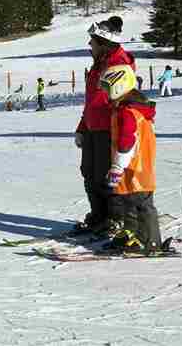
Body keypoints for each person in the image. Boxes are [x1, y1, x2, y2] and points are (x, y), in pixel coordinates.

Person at [99, 65, 168, 254]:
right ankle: (131, 235)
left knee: (141, 205)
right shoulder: (123, 109)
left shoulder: (128, 112)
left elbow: (128, 142)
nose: (105, 93)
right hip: (131, 167)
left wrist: (117, 166)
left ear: (118, 87)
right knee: (129, 202)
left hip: (136, 167)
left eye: (107, 88)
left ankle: (150, 241)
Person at [75, 15, 135, 235]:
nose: (89, 45)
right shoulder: (98, 63)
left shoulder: (119, 62)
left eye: (92, 41)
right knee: (88, 172)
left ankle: (116, 218)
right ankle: (99, 215)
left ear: (103, 43)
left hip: (109, 127)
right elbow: (93, 100)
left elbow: (122, 98)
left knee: (106, 175)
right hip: (92, 126)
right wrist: (82, 127)